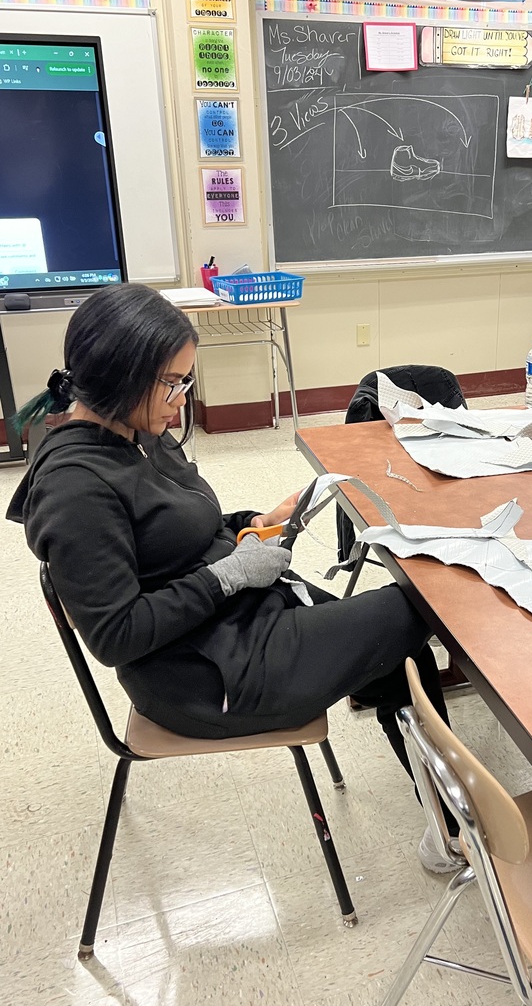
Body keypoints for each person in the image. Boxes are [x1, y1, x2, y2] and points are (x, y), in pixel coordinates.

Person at [6, 283, 460, 872]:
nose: (182, 399)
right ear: (123, 378)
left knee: (402, 651)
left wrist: (253, 523)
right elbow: (115, 634)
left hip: (234, 622)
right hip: (201, 677)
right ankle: (456, 824)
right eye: (173, 383)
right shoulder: (75, 488)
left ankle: (443, 810)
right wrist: (228, 576)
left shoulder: (135, 433)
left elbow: (176, 528)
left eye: (184, 380)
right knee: (418, 607)